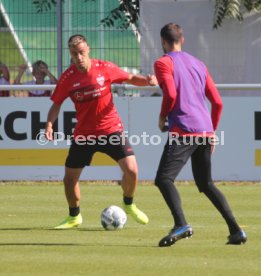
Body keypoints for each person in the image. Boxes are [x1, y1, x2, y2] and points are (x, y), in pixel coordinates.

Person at [45, 34, 157, 229]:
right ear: (70, 55)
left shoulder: (104, 68)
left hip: (111, 130)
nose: (78, 58)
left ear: (88, 50)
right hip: (84, 135)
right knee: (69, 180)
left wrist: (147, 81)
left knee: (132, 170)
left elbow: (130, 78)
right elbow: (56, 104)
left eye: (81, 52)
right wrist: (48, 125)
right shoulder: (68, 78)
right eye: (74, 54)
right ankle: (74, 217)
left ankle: (129, 204)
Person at [154, 23, 247, 247]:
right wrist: (212, 132)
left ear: (163, 42)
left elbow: (171, 94)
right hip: (204, 130)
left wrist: (162, 116)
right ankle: (236, 231)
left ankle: (181, 225)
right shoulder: (198, 63)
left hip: (184, 129)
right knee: (206, 183)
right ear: (182, 40)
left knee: (164, 179)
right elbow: (217, 102)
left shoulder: (163, 62)